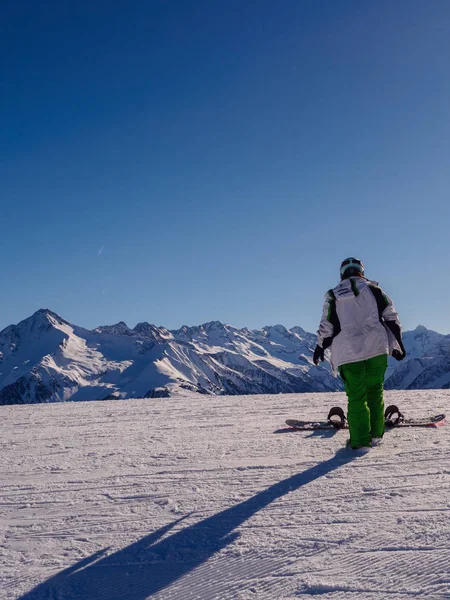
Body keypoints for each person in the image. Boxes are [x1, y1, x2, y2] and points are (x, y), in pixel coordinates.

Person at [313, 257, 406, 450]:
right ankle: (375, 436)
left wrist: (320, 347)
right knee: (375, 392)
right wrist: (398, 344)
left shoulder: (333, 296)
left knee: (356, 397)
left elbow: (327, 326)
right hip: (377, 349)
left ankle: (360, 442)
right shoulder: (375, 290)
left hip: (348, 353)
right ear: (361, 272)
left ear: (342, 274)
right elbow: (391, 317)